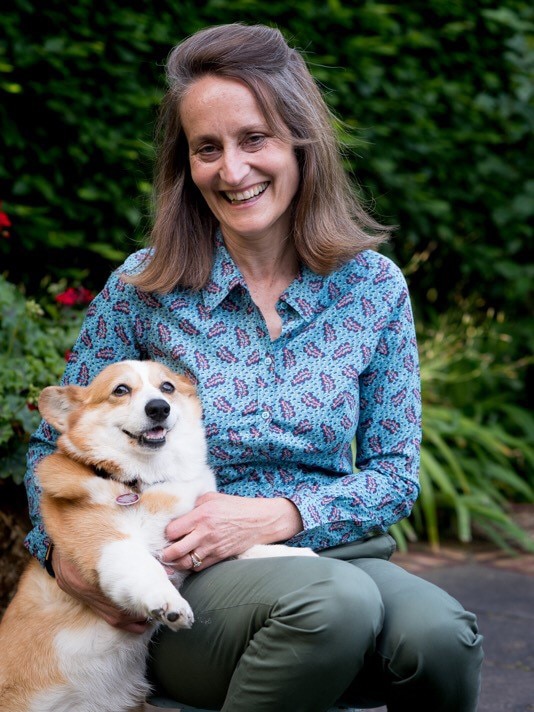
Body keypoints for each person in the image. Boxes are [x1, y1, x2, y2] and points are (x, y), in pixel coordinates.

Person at [24, 23, 483, 712]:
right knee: (333, 606)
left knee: (443, 636)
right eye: (207, 148)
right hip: (186, 571)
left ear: (301, 141)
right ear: (187, 164)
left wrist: (281, 514)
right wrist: (64, 553)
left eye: (254, 139)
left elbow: (394, 475)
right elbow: (48, 446)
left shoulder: (373, 288)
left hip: (331, 553)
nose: (232, 171)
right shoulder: (145, 287)